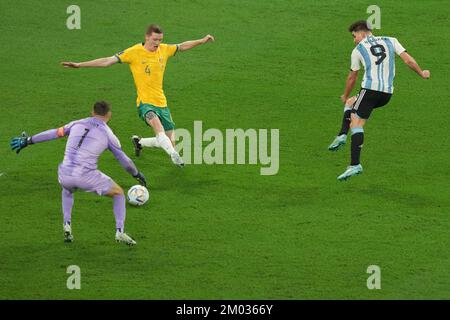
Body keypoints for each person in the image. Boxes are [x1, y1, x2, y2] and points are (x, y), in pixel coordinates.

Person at [61, 24, 215, 166]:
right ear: (147, 37)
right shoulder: (134, 52)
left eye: (160, 40)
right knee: (158, 127)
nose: (157, 43)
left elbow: (181, 46)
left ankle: (139, 142)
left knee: (168, 140)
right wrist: (80, 64)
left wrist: (202, 41)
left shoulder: (164, 49)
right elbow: (107, 61)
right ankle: (174, 155)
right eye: (155, 39)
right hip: (145, 103)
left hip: (162, 102)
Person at [10, 101, 147, 245]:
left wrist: (29, 140)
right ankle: (120, 232)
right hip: (86, 177)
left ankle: (67, 224)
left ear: (92, 112)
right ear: (109, 115)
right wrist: (136, 174)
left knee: (67, 189)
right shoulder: (109, 135)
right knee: (119, 193)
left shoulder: (76, 123)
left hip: (64, 174)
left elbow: (54, 133)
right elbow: (125, 161)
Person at [328, 20, 430, 181]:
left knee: (356, 122)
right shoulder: (391, 40)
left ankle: (355, 164)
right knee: (351, 104)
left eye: (354, 36)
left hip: (370, 90)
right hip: (386, 94)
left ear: (362, 33)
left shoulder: (358, 50)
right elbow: (408, 61)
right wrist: (422, 73)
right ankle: (341, 135)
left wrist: (345, 94)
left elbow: (352, 77)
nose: (354, 40)